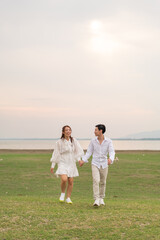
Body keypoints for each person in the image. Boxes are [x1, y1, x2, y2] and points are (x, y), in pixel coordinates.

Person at [79, 124, 115, 207]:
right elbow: (89, 152)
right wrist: (83, 160)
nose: (94, 131)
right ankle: (96, 199)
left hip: (104, 164)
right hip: (95, 163)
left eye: (96, 130)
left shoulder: (109, 141)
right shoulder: (93, 141)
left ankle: (101, 198)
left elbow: (112, 152)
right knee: (96, 180)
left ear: (100, 131)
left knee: (103, 182)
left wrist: (111, 159)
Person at [50, 125, 84, 204]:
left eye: (69, 130)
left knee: (71, 181)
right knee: (64, 179)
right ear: (63, 132)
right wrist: (52, 165)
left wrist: (79, 160)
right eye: (66, 130)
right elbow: (56, 154)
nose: (68, 131)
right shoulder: (59, 142)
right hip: (62, 162)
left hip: (71, 162)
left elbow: (77, 151)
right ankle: (62, 193)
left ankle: (68, 198)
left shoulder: (73, 140)